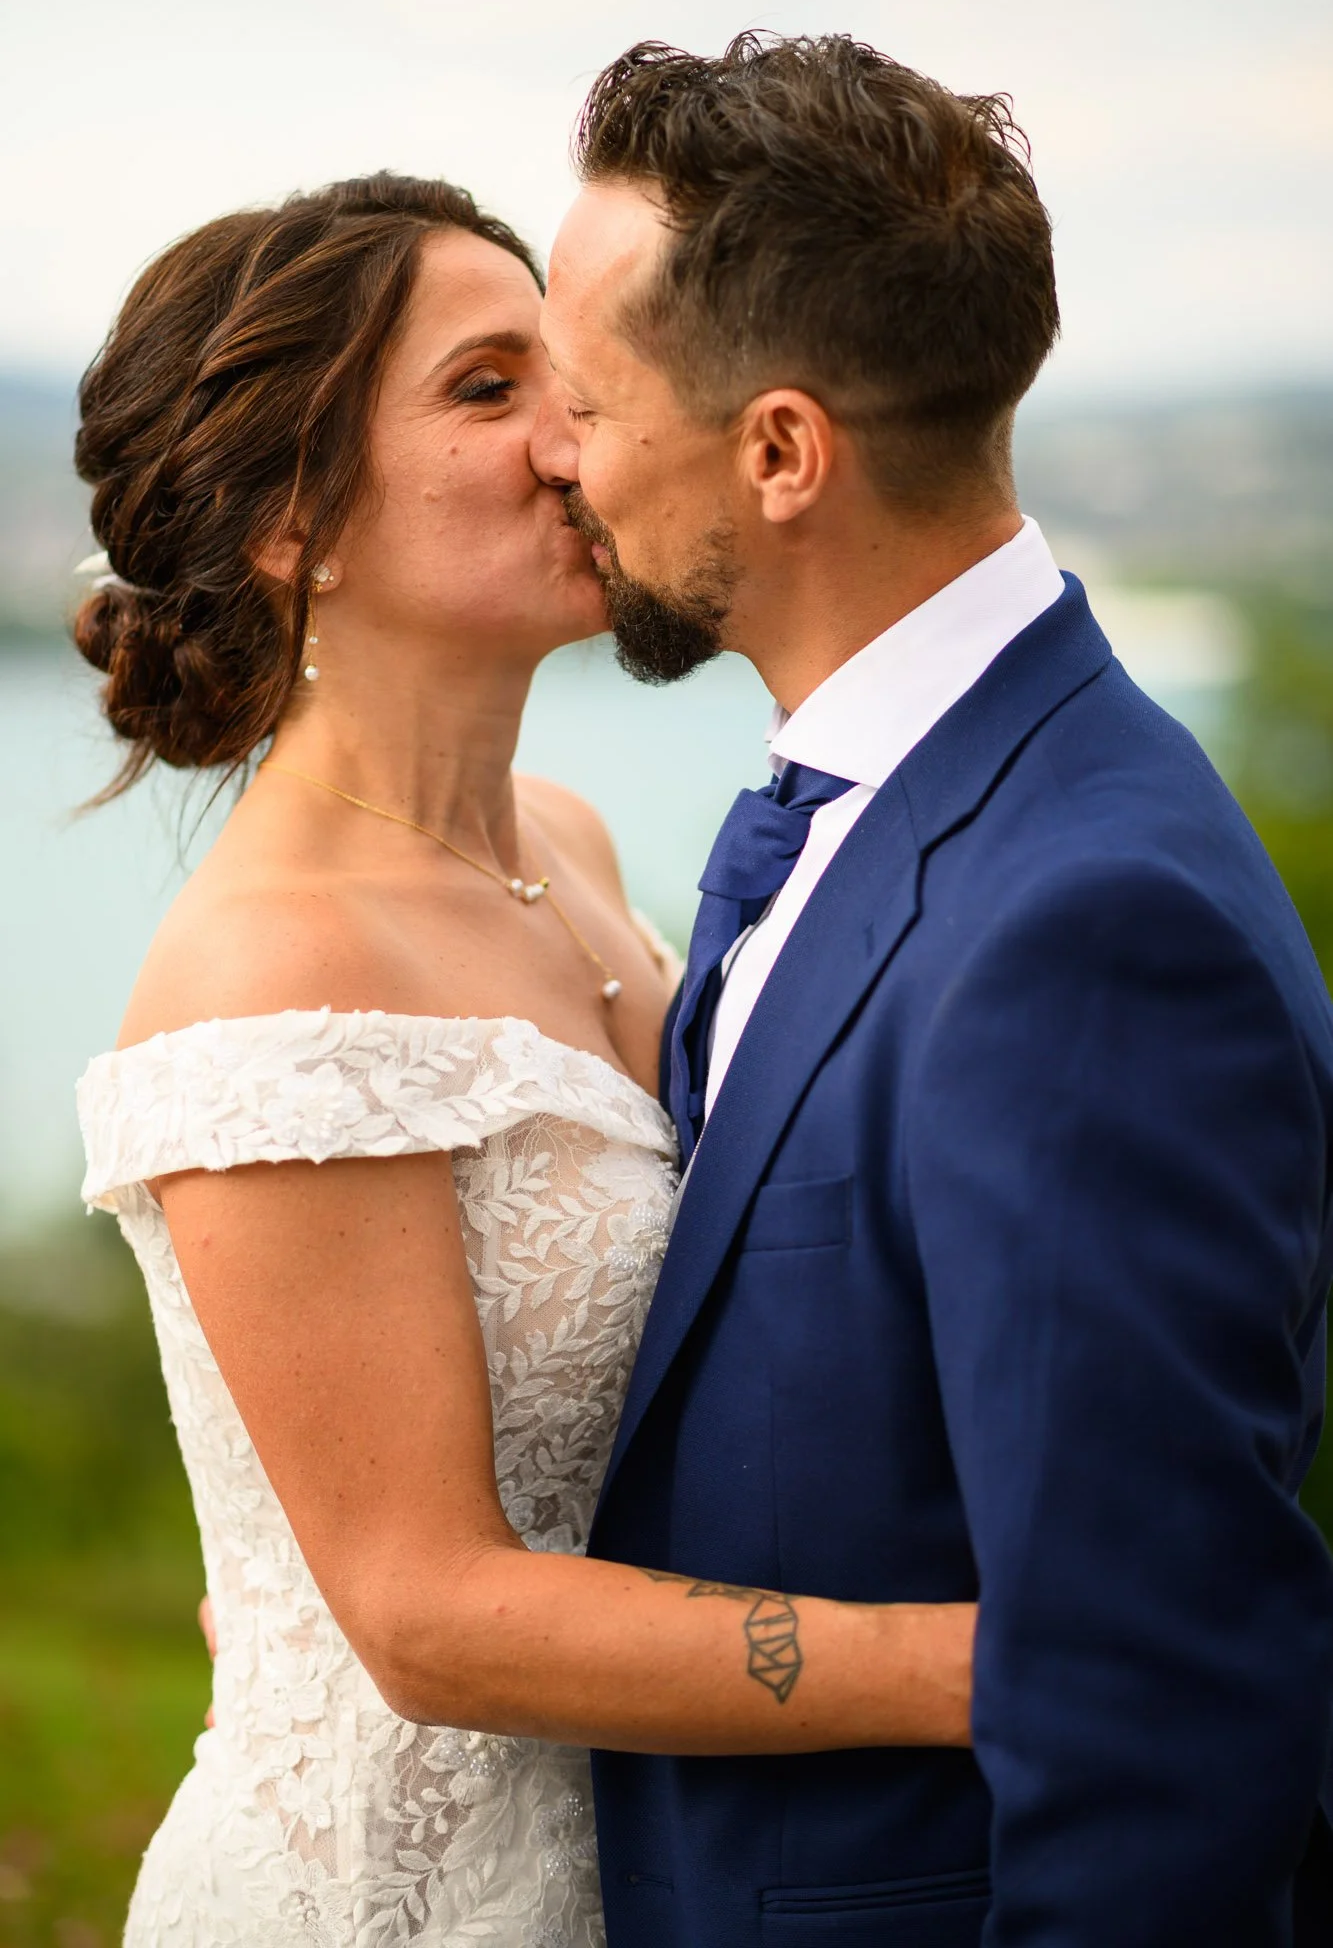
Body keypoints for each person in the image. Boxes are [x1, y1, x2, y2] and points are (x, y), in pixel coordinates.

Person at [72, 171, 975, 1947]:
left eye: (566, 375)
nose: (577, 440)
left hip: (679, 1864)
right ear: (289, 521)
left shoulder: (565, 837)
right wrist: (996, 1668)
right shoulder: (281, 965)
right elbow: (423, 1618)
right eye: (488, 391)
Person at [528, 32, 1333, 1948]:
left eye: (583, 395)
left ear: (782, 451)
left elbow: (1153, 1709)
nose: (558, 453)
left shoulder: (1088, 929)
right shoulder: (902, 799)